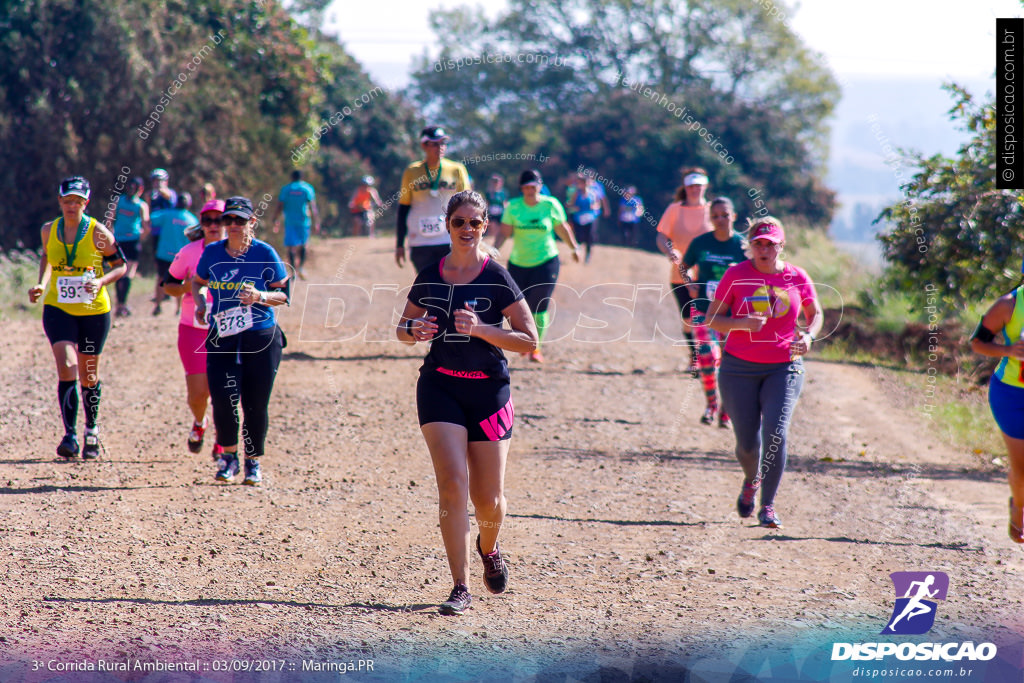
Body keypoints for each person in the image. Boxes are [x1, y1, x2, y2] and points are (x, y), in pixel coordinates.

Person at [397, 190, 538, 615]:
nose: (466, 230)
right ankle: (460, 586)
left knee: (488, 499)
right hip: (440, 386)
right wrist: (415, 329)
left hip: (488, 391)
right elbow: (402, 328)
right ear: (447, 225)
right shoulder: (430, 275)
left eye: (475, 223)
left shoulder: (497, 277)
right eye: (459, 222)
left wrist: (482, 330)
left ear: (485, 226)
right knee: (452, 483)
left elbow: (530, 340)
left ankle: (489, 549)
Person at [706, 218, 823, 529]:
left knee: (776, 433)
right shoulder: (736, 275)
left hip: (784, 366)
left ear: (780, 246)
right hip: (738, 367)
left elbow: (816, 313)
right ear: (750, 246)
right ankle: (751, 479)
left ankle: (768, 506)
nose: (763, 249)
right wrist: (742, 324)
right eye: (758, 243)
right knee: (747, 444)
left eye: (770, 244)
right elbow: (712, 319)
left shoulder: (797, 276)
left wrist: (808, 336)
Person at [27, 177, 127, 459]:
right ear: (59, 201)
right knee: (67, 364)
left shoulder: (98, 233)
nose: (72, 206)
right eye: (67, 201)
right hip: (58, 307)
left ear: (86, 203)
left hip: (94, 311)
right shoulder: (49, 230)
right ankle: (69, 435)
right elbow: (47, 257)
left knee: (88, 372)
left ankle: (91, 429)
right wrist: (41, 284)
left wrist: (102, 282)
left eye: (78, 201)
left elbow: (121, 266)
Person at [192, 196, 289, 485]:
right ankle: (228, 458)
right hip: (222, 334)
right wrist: (199, 302)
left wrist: (260, 296)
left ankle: (253, 462)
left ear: (252, 223)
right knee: (223, 399)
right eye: (228, 220)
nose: (233, 225)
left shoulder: (264, 253)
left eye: (240, 220)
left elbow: (284, 296)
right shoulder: (212, 253)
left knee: (255, 403)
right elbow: (198, 281)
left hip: (260, 336)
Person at [493, 169, 581, 363]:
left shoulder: (550, 205)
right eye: (526, 187)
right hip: (518, 263)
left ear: (540, 187)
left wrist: (574, 247)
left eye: (534, 186)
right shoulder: (514, 207)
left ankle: (535, 347)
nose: (530, 190)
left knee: (540, 306)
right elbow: (504, 232)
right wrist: (493, 250)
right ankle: (523, 341)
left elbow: (562, 227)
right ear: (521, 188)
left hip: (546, 261)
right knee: (520, 307)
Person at [163, 200, 226, 460]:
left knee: (224, 389)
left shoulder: (239, 252)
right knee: (198, 394)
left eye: (219, 219)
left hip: (229, 330)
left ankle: (224, 441)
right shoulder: (189, 252)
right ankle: (200, 422)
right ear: (201, 224)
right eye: (207, 220)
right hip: (193, 329)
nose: (213, 225)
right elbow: (168, 285)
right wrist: (188, 285)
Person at [680, 197, 747, 427]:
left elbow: (757, 275)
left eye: (725, 215)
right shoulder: (700, 243)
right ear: (710, 218)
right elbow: (683, 266)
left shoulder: (744, 245)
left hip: (733, 313)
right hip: (703, 309)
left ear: (734, 216)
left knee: (731, 362)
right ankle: (711, 405)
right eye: (715, 216)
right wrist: (689, 284)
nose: (720, 220)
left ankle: (726, 413)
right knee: (707, 356)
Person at [970, 273, 1024, 543]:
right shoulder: (1009, 305)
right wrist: (1009, 350)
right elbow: (977, 342)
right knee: (1022, 470)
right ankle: (1018, 505)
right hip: (1012, 395)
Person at [656, 168, 713, 376]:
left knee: (708, 317)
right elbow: (661, 236)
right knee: (689, 318)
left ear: (705, 186)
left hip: (709, 275)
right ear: (685, 187)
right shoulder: (674, 209)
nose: (695, 190)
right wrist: (670, 250)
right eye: (691, 186)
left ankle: (710, 356)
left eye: (698, 186)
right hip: (680, 274)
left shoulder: (712, 210)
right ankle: (695, 356)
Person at [395, 126, 471, 272]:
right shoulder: (412, 171)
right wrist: (399, 244)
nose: (440, 147)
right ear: (424, 145)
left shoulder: (457, 169)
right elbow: (404, 208)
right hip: (420, 240)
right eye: (435, 144)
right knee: (428, 286)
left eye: (443, 143)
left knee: (451, 284)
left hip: (449, 238)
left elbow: (468, 206)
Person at [107, 177, 150, 317]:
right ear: (141, 190)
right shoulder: (141, 205)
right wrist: (139, 238)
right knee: (128, 274)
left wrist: (111, 237)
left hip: (118, 241)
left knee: (118, 272)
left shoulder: (118, 201)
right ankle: (123, 304)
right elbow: (146, 227)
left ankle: (119, 304)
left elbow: (109, 221)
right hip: (132, 241)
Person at [151, 192, 198, 316]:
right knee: (179, 281)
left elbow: (151, 219)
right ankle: (178, 309)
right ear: (189, 204)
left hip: (163, 254)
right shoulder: (191, 219)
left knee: (161, 279)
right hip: (180, 256)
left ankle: (158, 305)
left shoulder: (167, 214)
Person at [272, 170, 321, 278]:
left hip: (289, 221)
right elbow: (312, 206)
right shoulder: (307, 188)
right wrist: (316, 221)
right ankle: (301, 268)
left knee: (290, 247)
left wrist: (275, 218)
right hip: (304, 221)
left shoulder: (286, 189)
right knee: (303, 245)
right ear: (302, 177)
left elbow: (280, 205)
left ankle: (293, 270)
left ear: (291, 177)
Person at [148, 168, 177, 312]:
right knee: (159, 264)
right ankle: (162, 292)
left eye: (160, 180)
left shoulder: (169, 193)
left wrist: (160, 188)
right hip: (155, 233)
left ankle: (169, 290)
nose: (157, 183)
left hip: (168, 234)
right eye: (154, 180)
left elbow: (170, 198)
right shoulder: (150, 195)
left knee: (172, 264)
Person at [565, 174, 601, 264]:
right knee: (579, 237)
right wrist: (572, 206)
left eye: (583, 183)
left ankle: (587, 257)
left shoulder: (592, 193)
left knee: (589, 237)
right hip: (579, 219)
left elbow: (598, 204)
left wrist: (594, 207)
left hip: (590, 219)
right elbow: (570, 203)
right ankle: (578, 254)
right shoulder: (577, 193)